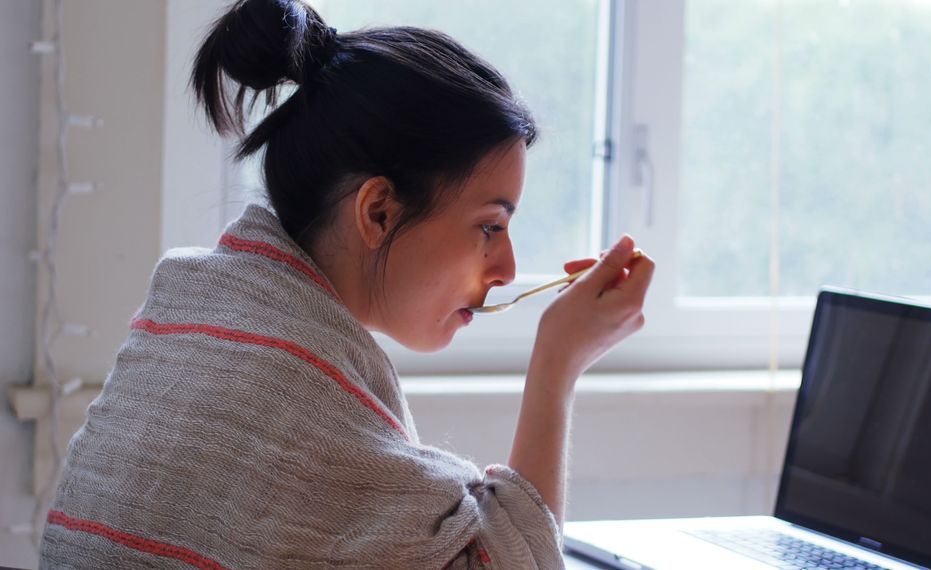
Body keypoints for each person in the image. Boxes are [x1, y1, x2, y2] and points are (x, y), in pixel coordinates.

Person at [39, 1, 654, 568]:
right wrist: (557, 364)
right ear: (379, 212)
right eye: (489, 226)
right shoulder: (284, 386)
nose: (508, 270)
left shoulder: (194, 314)